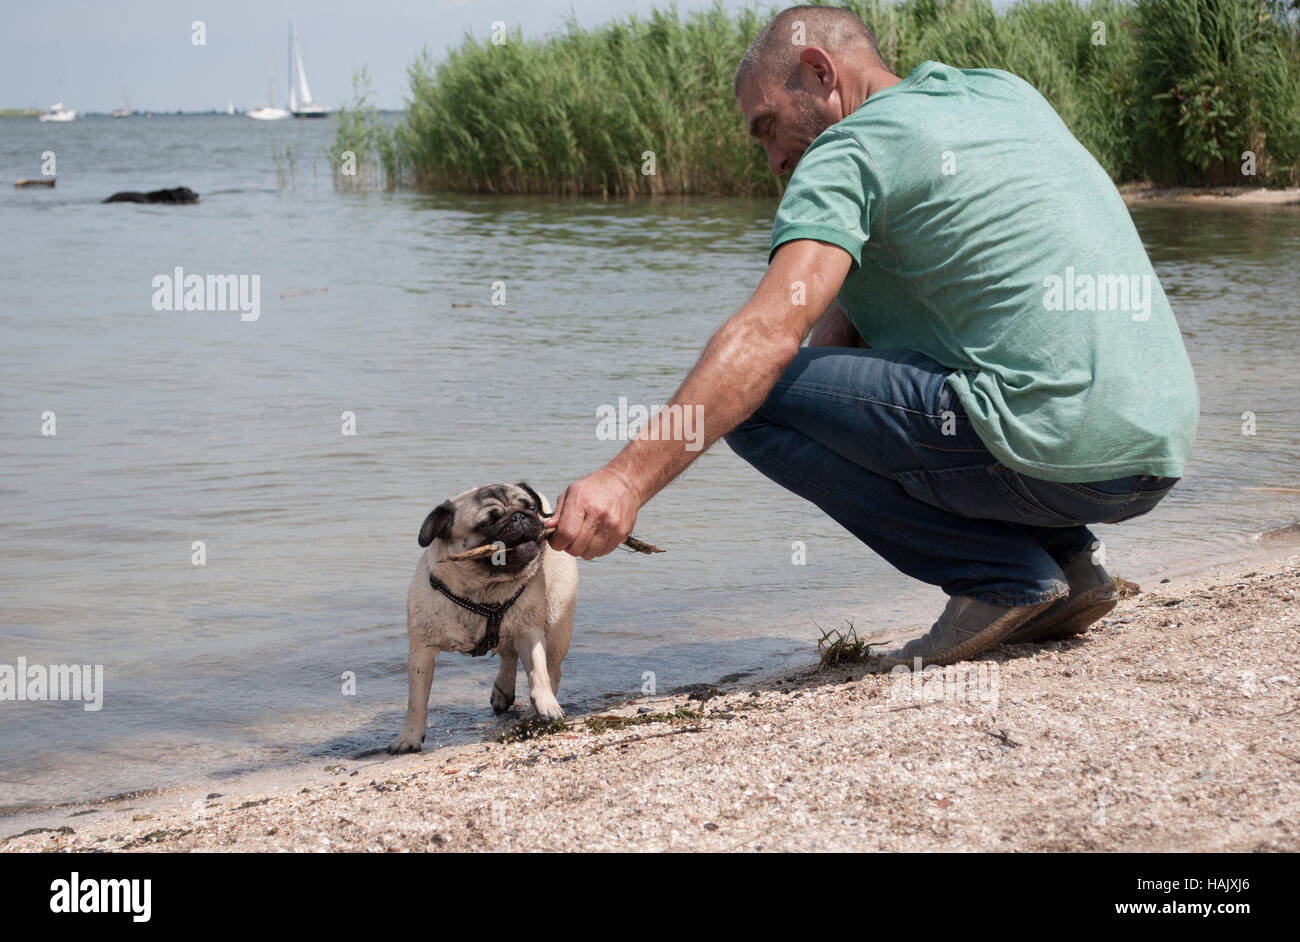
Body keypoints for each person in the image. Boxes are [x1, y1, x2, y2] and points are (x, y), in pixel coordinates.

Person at [544, 5, 1198, 667]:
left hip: (1052, 453)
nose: (773, 160)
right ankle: (1071, 566)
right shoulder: (1000, 93)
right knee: (888, 379)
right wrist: (829, 422)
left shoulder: (846, 151)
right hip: (1153, 454)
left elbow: (766, 339)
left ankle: (1003, 578)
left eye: (767, 126)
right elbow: (865, 331)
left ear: (820, 70)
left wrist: (624, 483)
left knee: (754, 399)